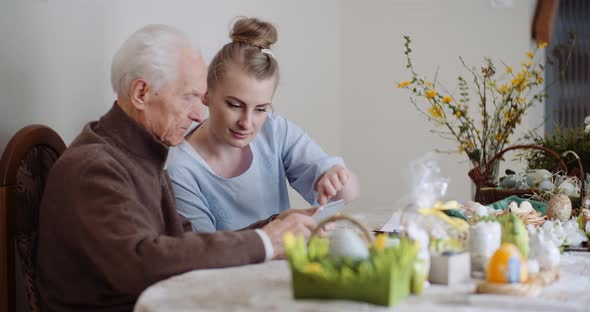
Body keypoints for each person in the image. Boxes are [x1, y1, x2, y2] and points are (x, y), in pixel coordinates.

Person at [35, 24, 317, 312]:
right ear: (141, 93)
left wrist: (273, 226)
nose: (198, 114)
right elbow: (141, 263)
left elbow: (183, 245)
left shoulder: (141, 153)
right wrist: (265, 241)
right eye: (188, 97)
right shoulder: (94, 168)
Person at [166, 17, 360, 232]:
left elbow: (348, 194)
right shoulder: (180, 170)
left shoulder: (275, 131)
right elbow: (204, 250)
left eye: (260, 109)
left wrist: (337, 178)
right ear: (206, 94)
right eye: (234, 105)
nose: (246, 123)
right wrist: (275, 228)